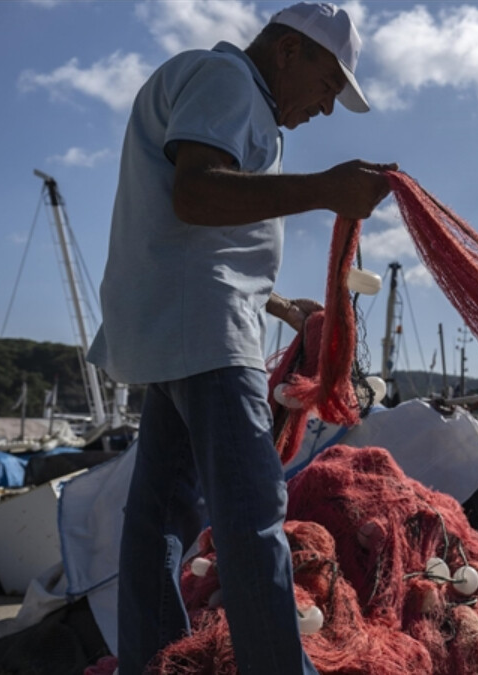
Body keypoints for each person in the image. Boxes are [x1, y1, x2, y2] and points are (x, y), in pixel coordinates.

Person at [85, 4, 395, 672]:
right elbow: (195, 194)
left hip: (174, 325)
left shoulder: (226, 91)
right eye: (328, 85)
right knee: (253, 514)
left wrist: (280, 304)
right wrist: (326, 189)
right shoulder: (228, 81)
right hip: (204, 331)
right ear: (290, 52)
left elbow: (198, 232)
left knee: (160, 517)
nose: (326, 108)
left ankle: (151, 660)